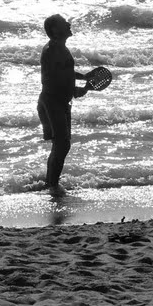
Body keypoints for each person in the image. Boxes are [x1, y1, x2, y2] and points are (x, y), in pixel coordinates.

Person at [37, 14, 90, 196]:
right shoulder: (52, 49)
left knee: (61, 145)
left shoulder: (59, 47)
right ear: (54, 30)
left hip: (58, 101)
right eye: (63, 23)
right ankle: (51, 186)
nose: (68, 24)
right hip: (52, 102)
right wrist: (75, 91)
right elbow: (54, 79)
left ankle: (51, 184)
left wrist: (83, 77)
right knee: (62, 144)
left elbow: (65, 70)